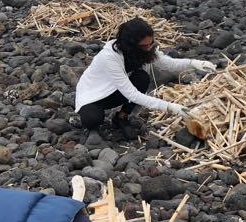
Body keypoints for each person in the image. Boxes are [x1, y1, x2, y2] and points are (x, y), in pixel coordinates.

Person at [75, 18, 215, 140]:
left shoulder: (145, 50)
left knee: (141, 78)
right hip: (93, 95)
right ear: (130, 44)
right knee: (92, 120)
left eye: (150, 43)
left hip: (116, 91)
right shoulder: (109, 57)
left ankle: (121, 117)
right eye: (143, 46)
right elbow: (132, 94)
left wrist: (195, 63)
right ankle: (90, 115)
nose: (148, 48)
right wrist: (170, 107)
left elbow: (169, 64)